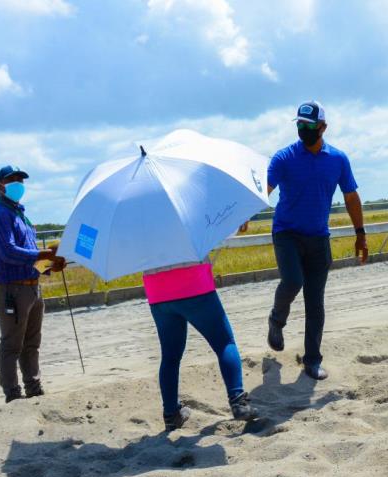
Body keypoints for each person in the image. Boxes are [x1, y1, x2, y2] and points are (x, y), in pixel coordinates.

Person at [266, 100, 368, 381]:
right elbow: (266, 188)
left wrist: (360, 233)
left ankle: (312, 360)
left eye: (309, 125)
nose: (304, 129)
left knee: (315, 301)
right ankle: (276, 319)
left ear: (323, 127)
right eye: (300, 124)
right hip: (287, 233)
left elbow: (351, 196)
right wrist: (246, 212)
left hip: (318, 238)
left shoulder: (338, 159)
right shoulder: (283, 157)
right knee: (292, 281)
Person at [143, 254, 259, 431]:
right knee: (224, 344)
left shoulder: (141, 234)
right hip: (194, 283)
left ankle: (171, 415)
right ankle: (238, 401)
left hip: (157, 290)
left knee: (170, 357)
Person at [0, 165, 66, 403]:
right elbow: (8, 252)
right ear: (0, 185)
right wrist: (44, 254)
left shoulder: (21, 215)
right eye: (13, 179)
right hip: (11, 288)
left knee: (32, 342)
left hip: (31, 286)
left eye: (21, 179)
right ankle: (12, 394)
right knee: (12, 344)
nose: (18, 183)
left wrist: (48, 267)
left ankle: (34, 387)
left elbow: (28, 255)